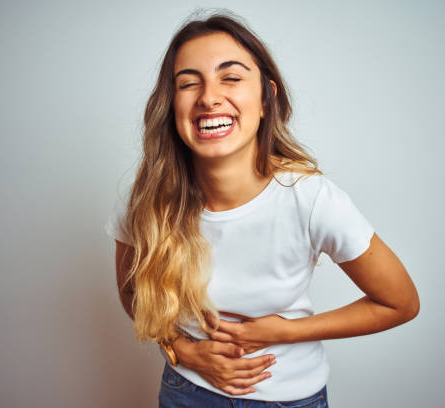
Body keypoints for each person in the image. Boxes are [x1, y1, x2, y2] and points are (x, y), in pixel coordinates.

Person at [105, 11, 420, 408]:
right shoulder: (147, 198)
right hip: (185, 393)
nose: (208, 97)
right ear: (171, 105)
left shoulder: (312, 199)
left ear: (266, 98)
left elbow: (401, 302)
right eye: (188, 83)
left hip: (292, 401)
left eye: (231, 77)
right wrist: (182, 352)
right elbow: (134, 294)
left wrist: (285, 331)